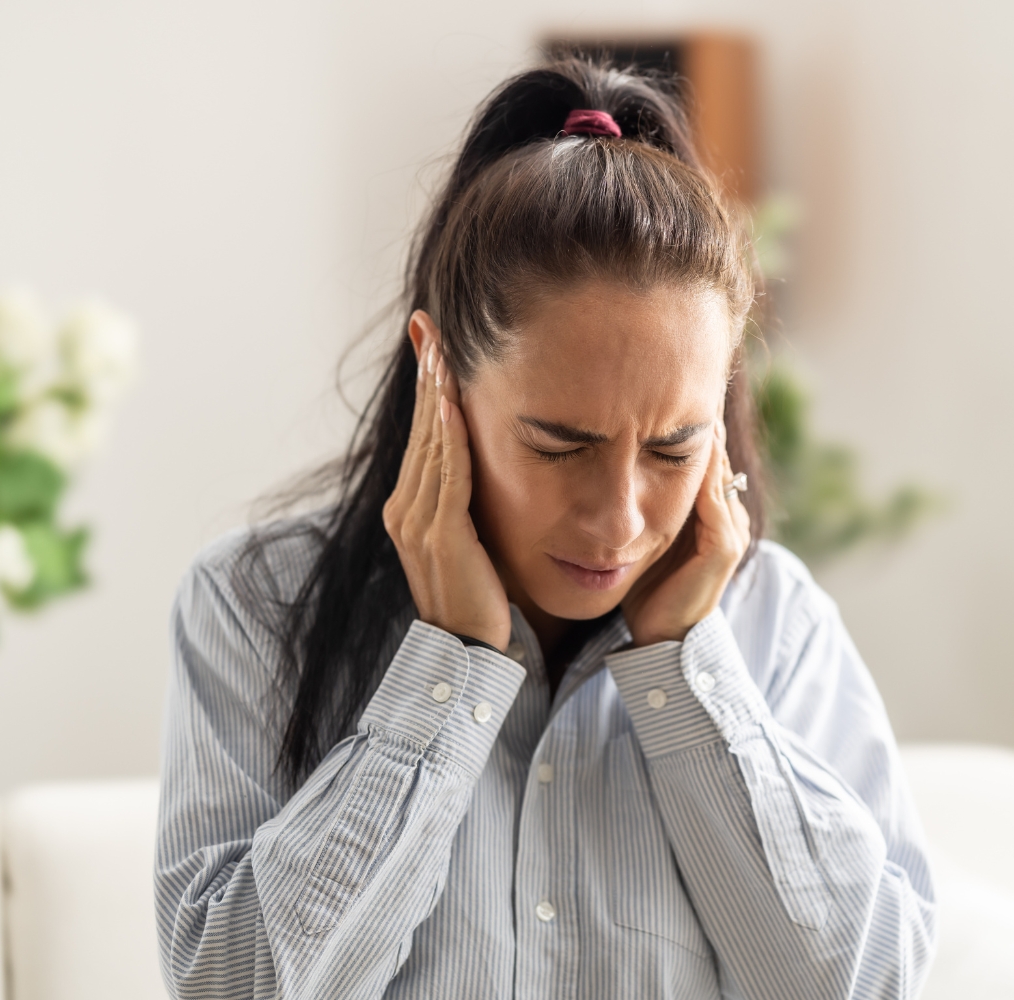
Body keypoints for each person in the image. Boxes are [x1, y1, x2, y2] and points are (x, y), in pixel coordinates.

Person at [155, 58, 936, 1000]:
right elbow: (233, 989)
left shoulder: (780, 628)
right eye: (560, 446)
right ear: (439, 371)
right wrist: (446, 670)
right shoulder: (254, 606)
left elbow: (866, 986)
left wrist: (689, 673)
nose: (620, 519)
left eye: (673, 450)